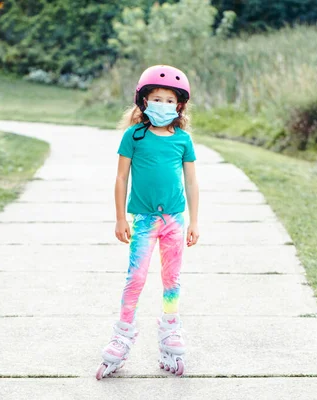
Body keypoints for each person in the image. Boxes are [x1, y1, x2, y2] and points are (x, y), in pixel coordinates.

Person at [96, 65, 200, 380]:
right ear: (144, 101)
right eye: (157, 98)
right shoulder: (134, 136)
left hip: (174, 221)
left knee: (172, 279)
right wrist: (119, 218)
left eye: (170, 100)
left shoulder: (183, 140)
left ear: (179, 105)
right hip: (142, 220)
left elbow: (192, 182)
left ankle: (171, 330)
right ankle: (123, 332)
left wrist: (195, 221)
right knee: (136, 278)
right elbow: (120, 177)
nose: (163, 105)